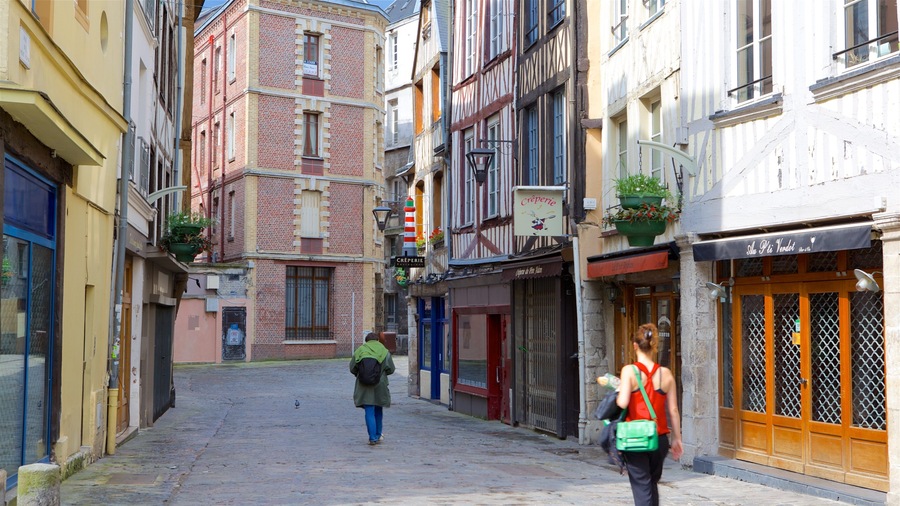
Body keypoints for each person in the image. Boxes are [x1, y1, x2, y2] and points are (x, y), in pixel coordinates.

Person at [616, 323, 683, 506]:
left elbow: (622, 403)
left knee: (641, 486)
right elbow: (673, 410)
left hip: (636, 437)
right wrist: (677, 438)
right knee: (651, 483)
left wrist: (619, 389)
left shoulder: (629, 371)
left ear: (635, 345)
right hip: (659, 439)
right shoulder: (666, 374)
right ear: (654, 346)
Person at [350, 332, 395, 445]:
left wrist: (362, 375)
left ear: (367, 341)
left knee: (369, 410)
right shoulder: (384, 351)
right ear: (377, 340)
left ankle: (372, 438)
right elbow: (391, 369)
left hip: (364, 385)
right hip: (380, 384)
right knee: (379, 409)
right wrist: (382, 373)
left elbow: (352, 368)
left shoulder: (360, 350)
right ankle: (378, 434)